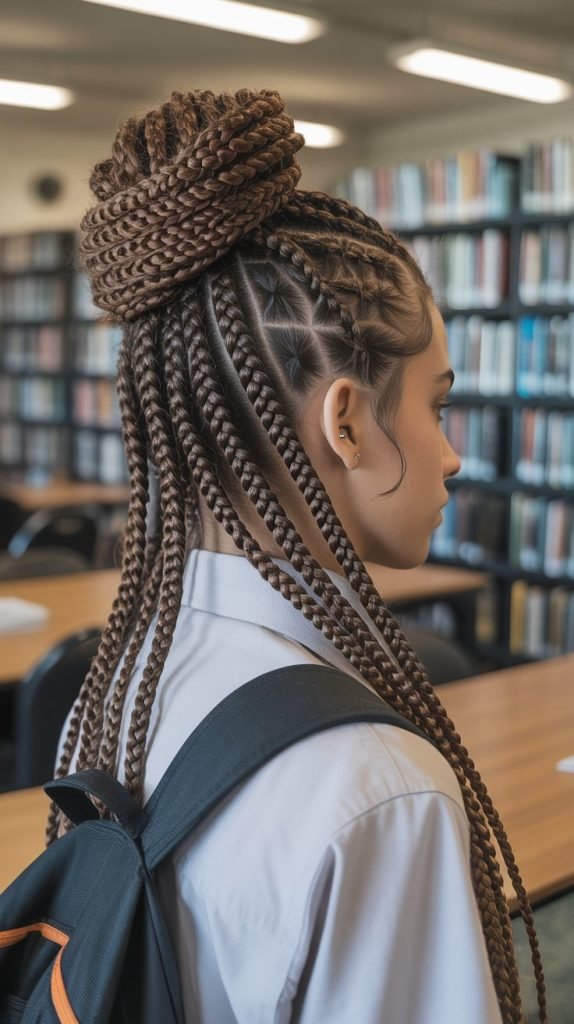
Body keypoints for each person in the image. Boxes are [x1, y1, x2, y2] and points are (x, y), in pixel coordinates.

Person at [51, 88, 546, 1023]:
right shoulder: (381, 794)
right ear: (348, 424)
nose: (451, 455)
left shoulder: (122, 678)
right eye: (437, 406)